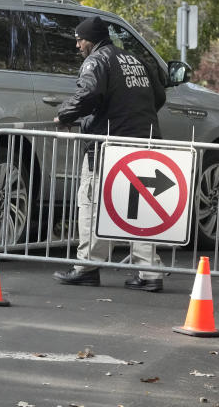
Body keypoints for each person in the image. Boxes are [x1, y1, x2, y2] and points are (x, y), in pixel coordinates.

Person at [52, 15, 167, 292]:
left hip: (108, 145)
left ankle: (87, 267)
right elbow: (159, 97)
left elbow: (89, 94)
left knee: (92, 201)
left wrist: (64, 114)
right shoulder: (135, 60)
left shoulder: (96, 61)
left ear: (90, 40)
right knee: (142, 208)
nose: (77, 45)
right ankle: (149, 272)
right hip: (144, 142)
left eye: (79, 40)